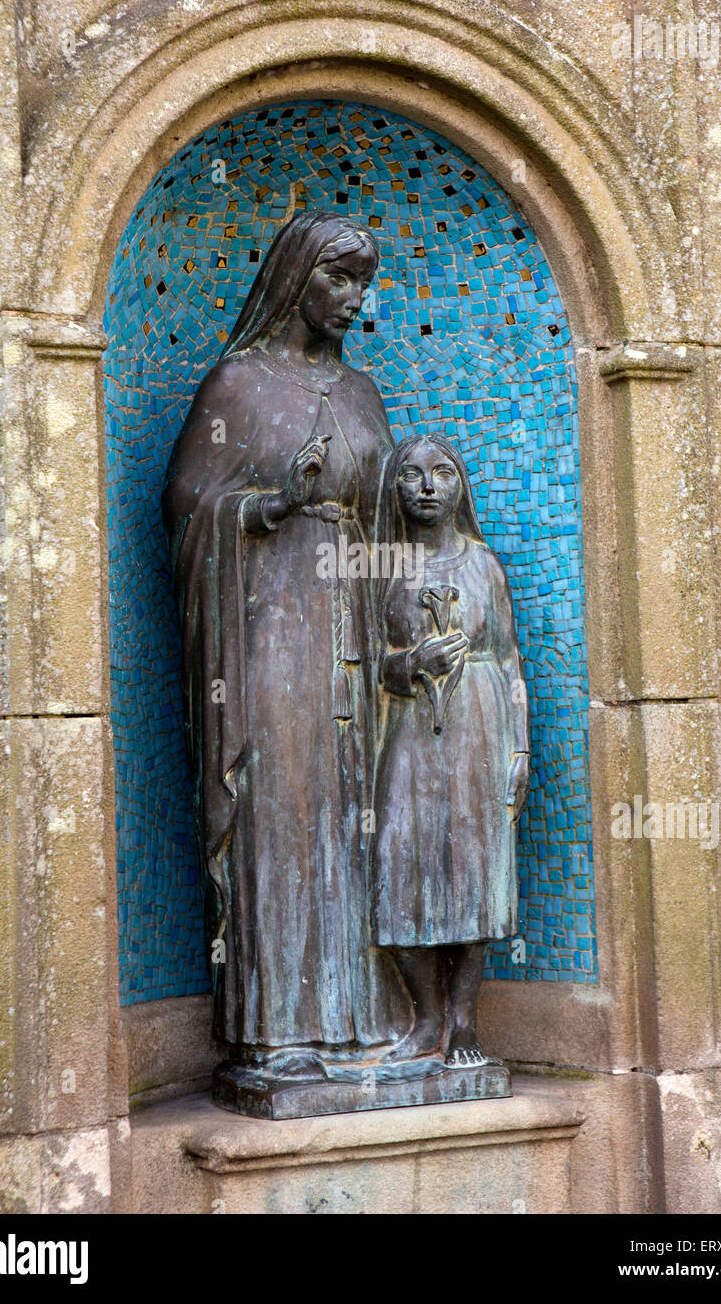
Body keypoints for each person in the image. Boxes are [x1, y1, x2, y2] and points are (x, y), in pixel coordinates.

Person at [162, 210, 407, 1079]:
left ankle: (367, 1019)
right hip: (268, 629)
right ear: (296, 277)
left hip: (358, 627)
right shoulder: (238, 384)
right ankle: (280, 1029)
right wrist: (267, 504)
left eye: (362, 282)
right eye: (337, 278)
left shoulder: (363, 392)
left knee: (361, 812)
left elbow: (393, 508)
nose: (353, 299)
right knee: (284, 812)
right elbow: (189, 507)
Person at [371, 434, 530, 1067]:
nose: (428, 486)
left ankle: (462, 1021)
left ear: (460, 485)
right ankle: (425, 1017)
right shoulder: (380, 570)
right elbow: (362, 665)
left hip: (480, 729)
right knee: (397, 862)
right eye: (412, 475)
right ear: (396, 490)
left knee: (475, 868)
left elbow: (511, 658)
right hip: (409, 735)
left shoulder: (484, 565)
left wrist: (519, 748)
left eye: (441, 473)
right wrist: (409, 663)